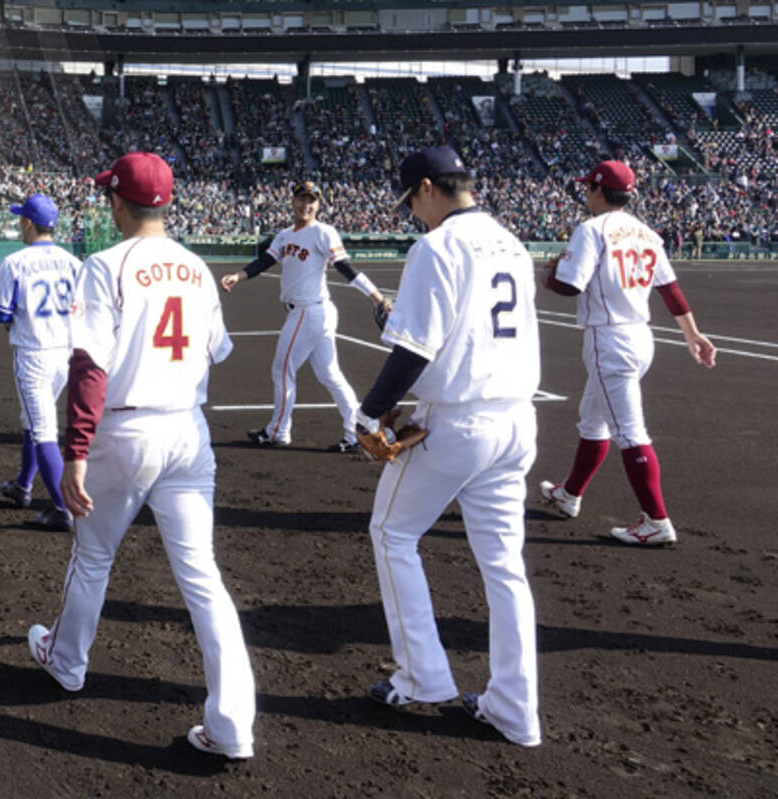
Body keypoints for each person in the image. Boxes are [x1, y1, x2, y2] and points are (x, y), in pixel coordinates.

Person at [28, 152, 255, 760]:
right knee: (203, 577)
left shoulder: (105, 265)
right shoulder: (197, 267)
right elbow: (217, 351)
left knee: (93, 554)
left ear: (119, 202)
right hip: (187, 430)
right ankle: (232, 726)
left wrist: (74, 451)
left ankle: (67, 662)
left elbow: (90, 366)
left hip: (125, 433)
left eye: (111, 196)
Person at [361, 146, 542, 748]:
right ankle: (515, 708)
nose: (414, 213)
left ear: (428, 189)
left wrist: (368, 412)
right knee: (505, 567)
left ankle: (422, 677)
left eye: (413, 200)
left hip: (458, 421)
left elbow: (416, 346)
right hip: (516, 419)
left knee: (392, 534)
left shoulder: (437, 246)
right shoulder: (511, 241)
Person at [540, 160, 716, 545]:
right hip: (640, 336)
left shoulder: (591, 230)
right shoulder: (646, 232)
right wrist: (693, 334)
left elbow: (571, 285)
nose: (586, 193)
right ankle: (569, 493)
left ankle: (656, 520)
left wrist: (549, 277)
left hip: (610, 339)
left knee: (629, 432)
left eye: (589, 187)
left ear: (600, 191)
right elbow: (669, 289)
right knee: (593, 420)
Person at [220, 180, 387, 451]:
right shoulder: (285, 235)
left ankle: (278, 431)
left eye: (312, 200)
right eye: (302, 199)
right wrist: (238, 276)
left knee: (283, 369)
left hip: (309, 311)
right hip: (310, 312)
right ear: (293, 202)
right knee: (330, 374)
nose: (306, 205)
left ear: (319, 205)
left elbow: (344, 267)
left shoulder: (323, 232)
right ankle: (357, 431)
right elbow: (266, 261)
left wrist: (376, 296)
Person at [0, 193, 81, 531]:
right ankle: (23, 485)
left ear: (28, 223)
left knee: (43, 431)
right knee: (32, 419)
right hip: (66, 353)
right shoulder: (73, 261)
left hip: (34, 353)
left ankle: (61, 509)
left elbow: (1, 313)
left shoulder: (16, 262)